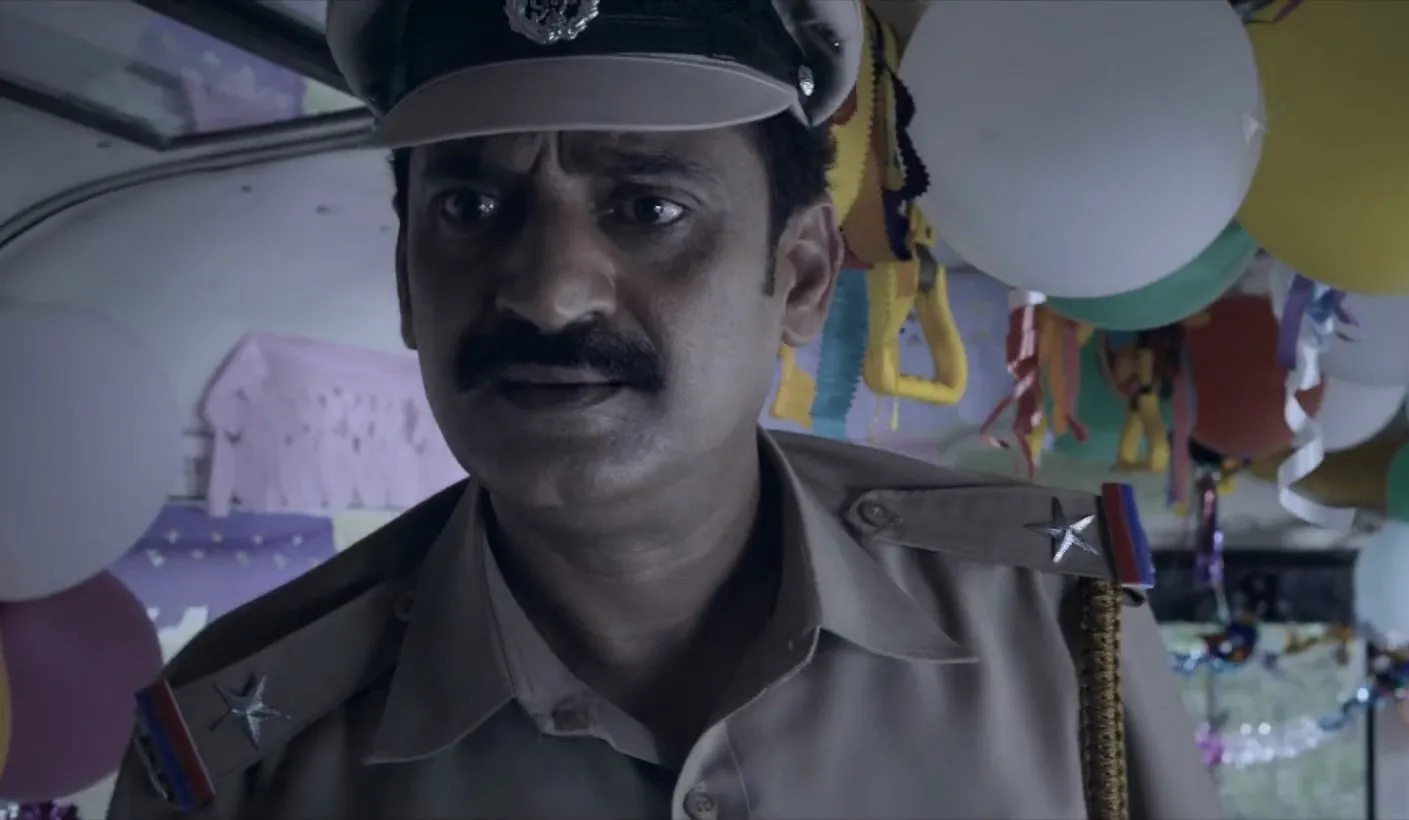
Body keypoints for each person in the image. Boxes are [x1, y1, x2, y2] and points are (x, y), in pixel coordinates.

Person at [107, 0, 1222, 817]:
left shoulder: (1053, 630)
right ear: (408, 283)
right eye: (473, 207)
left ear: (800, 277)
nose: (548, 292)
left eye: (647, 208)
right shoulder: (245, 748)